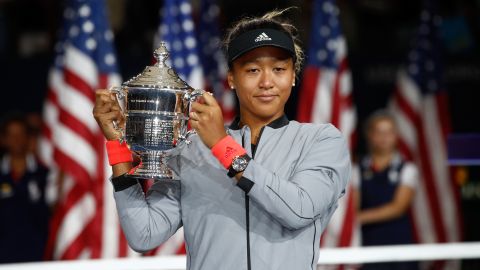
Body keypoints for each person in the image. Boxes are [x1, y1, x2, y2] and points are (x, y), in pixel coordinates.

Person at [93, 9, 351, 270]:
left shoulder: (322, 141)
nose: (266, 82)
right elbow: (144, 234)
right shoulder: (191, 149)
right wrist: (118, 149)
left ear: (293, 76)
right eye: (252, 70)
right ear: (231, 78)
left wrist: (222, 146)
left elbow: (299, 211)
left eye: (279, 69)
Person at [352, 110, 418, 270]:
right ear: (369, 134)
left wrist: (356, 219)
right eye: (379, 131)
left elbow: (398, 208)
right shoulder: (356, 169)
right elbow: (353, 204)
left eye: (389, 132)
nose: (384, 137)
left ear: (396, 135)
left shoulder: (407, 169)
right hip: (367, 244)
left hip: (399, 246)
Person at [0, 113, 50, 263]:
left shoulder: (45, 174)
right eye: (11, 135)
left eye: (21, 134)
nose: (17, 140)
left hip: (38, 259)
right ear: (3, 139)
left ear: (28, 138)